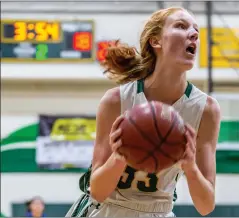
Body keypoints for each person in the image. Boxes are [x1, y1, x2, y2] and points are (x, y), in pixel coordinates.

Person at [66, 6, 221, 217]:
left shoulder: (206, 109)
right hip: (108, 209)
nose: (193, 34)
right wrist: (120, 156)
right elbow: (98, 191)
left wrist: (190, 166)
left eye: (196, 30)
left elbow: (206, 206)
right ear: (155, 41)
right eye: (181, 26)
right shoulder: (116, 100)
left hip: (160, 211)